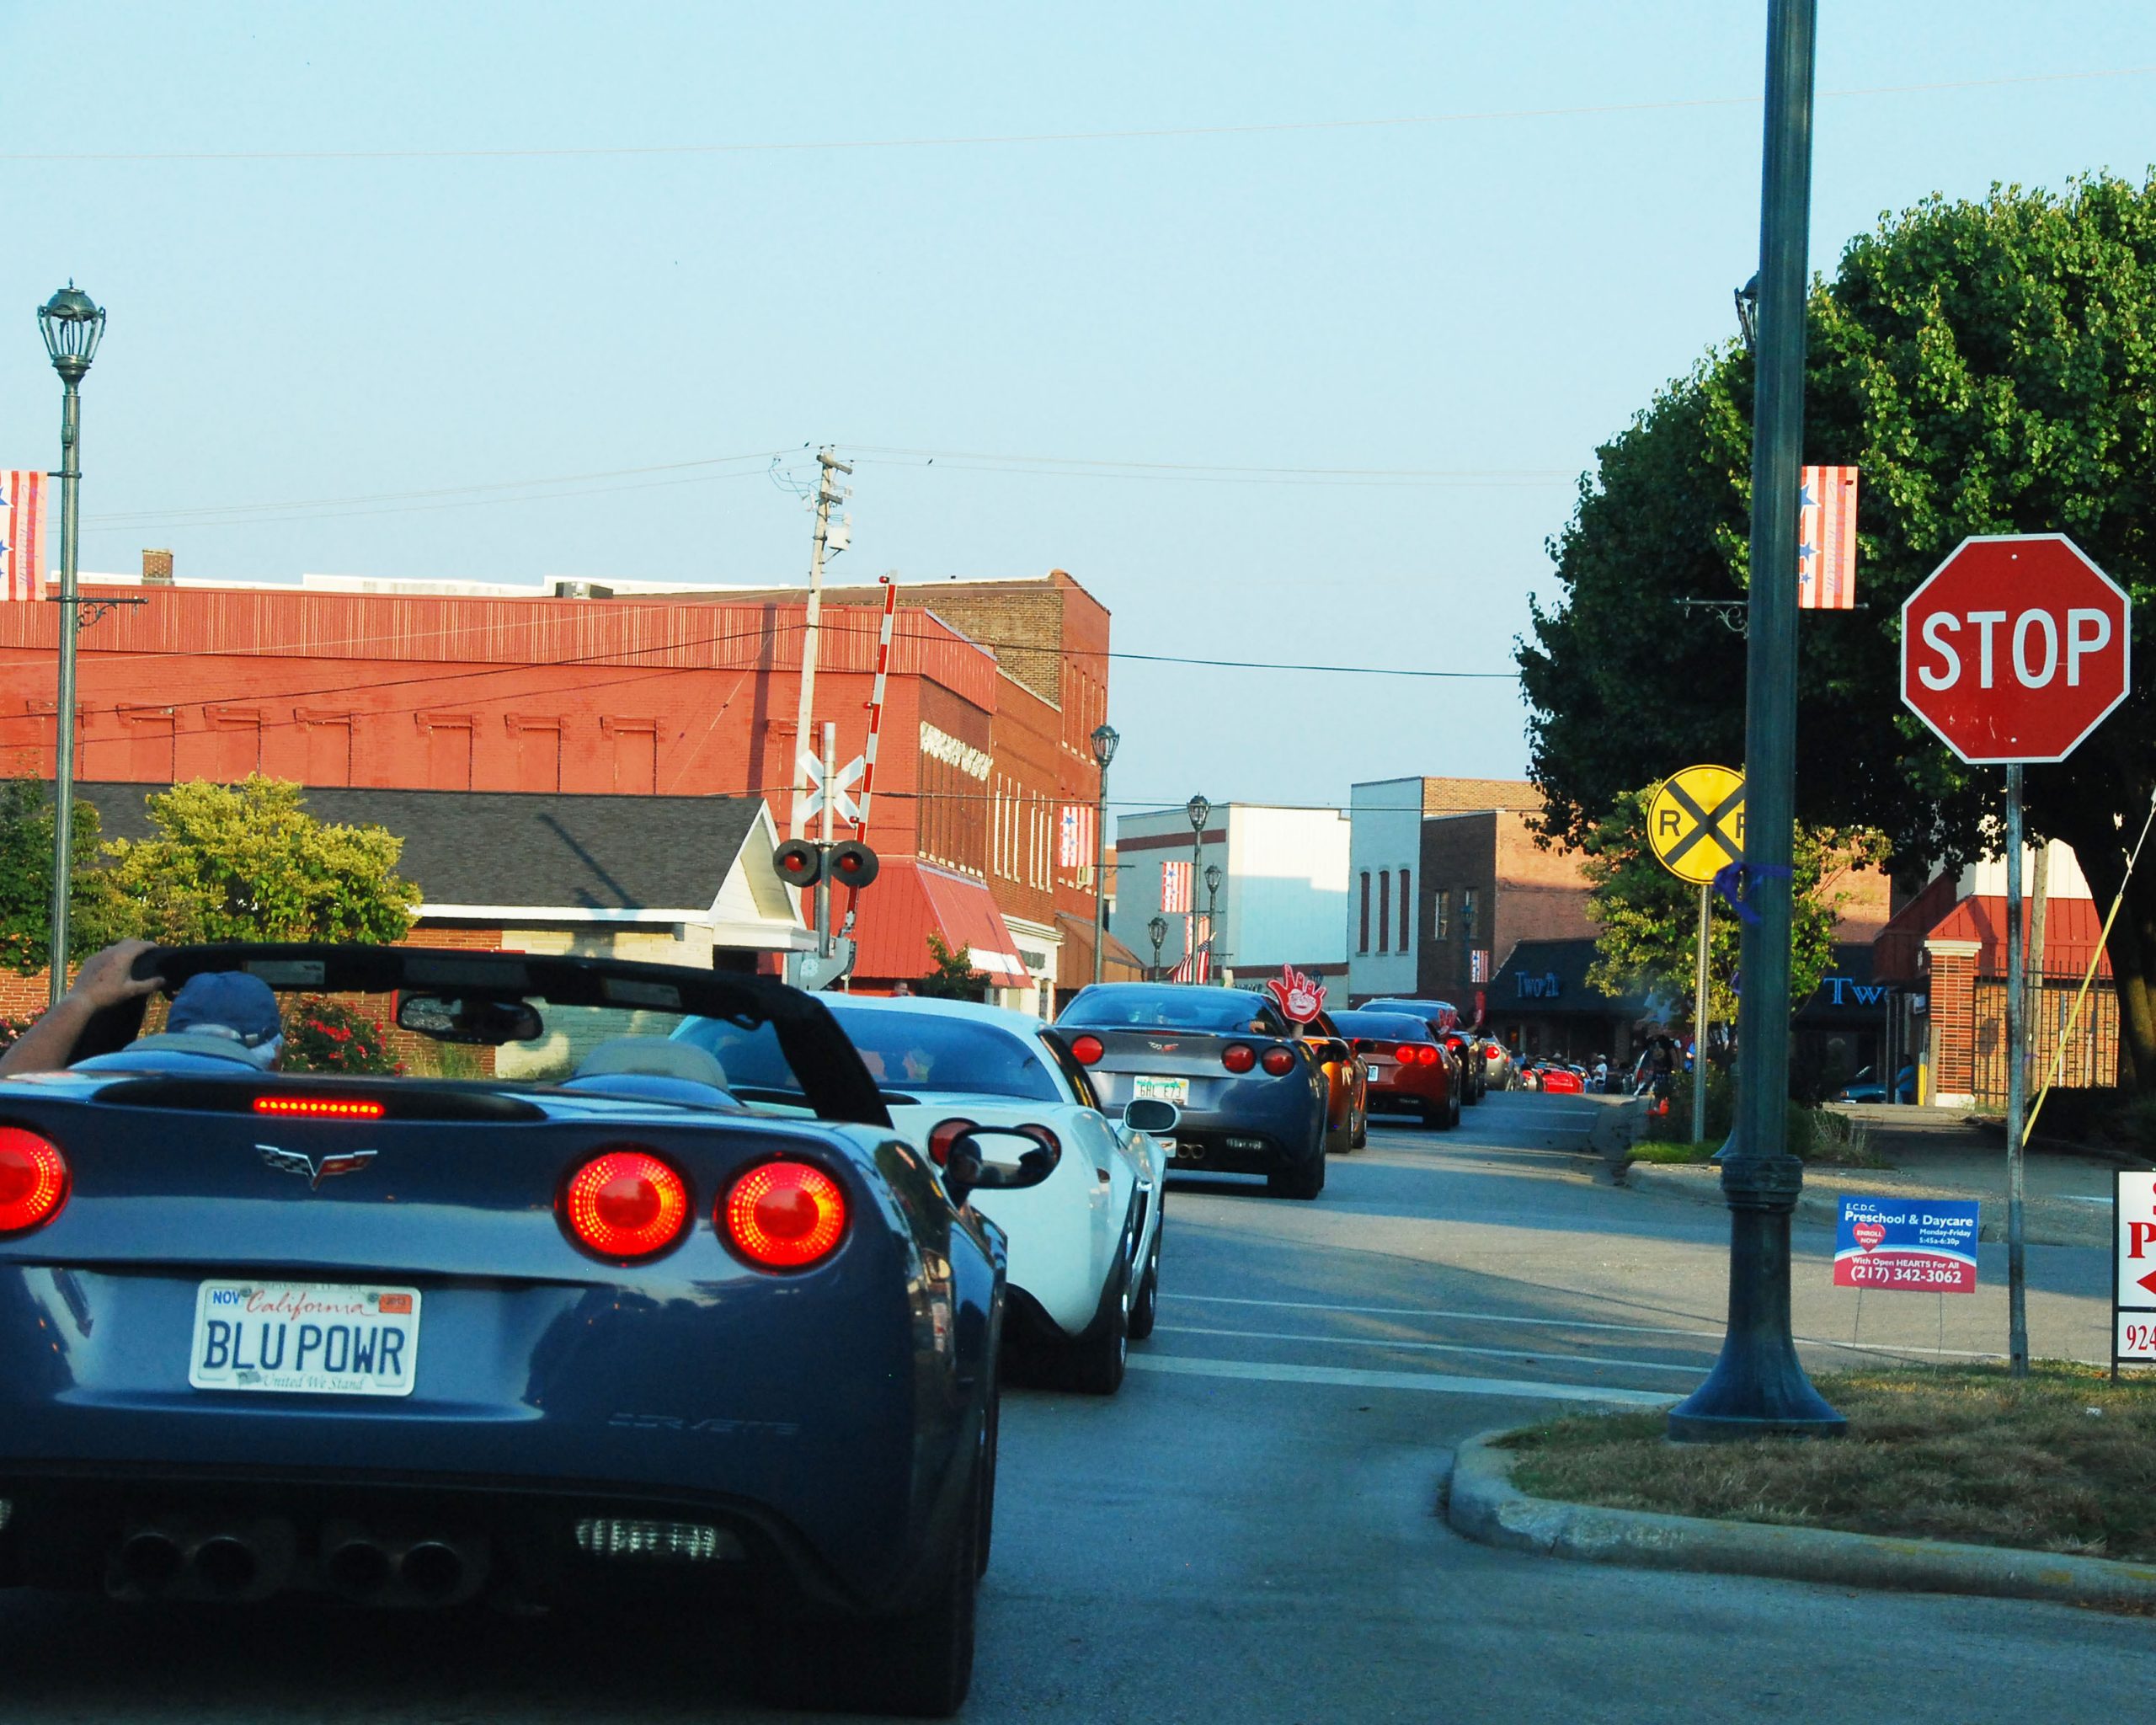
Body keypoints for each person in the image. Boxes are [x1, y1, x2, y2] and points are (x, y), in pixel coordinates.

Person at [0, 939, 286, 1076]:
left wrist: (81, 999)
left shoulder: (105, 1091)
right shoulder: (282, 1117)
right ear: (275, 1059)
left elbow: (13, 1092)